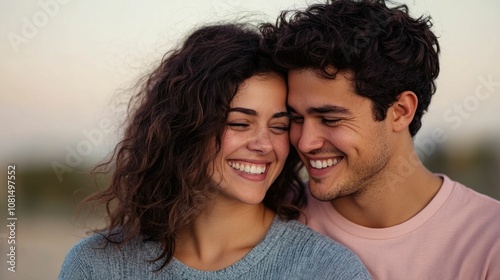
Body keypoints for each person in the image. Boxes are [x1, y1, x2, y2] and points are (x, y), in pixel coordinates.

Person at [58, 23, 370, 279]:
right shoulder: (96, 266)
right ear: (186, 129)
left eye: (279, 126)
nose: (264, 145)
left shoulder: (328, 270)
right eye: (239, 123)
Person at [261, 0, 500, 279]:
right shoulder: (270, 215)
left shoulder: (490, 241)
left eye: (330, 119)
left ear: (400, 112)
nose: (305, 142)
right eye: (296, 118)